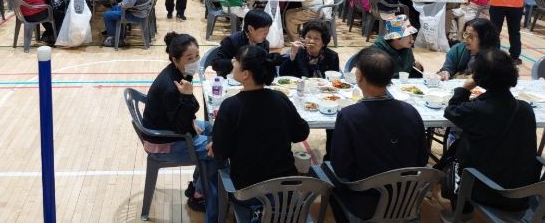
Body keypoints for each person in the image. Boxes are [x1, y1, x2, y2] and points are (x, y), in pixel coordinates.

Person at [329, 46, 428, 222]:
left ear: (359, 76)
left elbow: (341, 167)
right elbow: (422, 159)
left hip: (365, 203)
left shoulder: (349, 116)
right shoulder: (411, 111)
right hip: (405, 200)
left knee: (323, 172)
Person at [443, 49, 540, 216]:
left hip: (489, 191)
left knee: (455, 154)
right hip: (523, 192)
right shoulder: (525, 109)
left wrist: (465, 88)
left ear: (479, 77)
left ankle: (462, 211)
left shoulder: (477, 109)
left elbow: (451, 110)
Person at [209, 45, 309, 195]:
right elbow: (301, 133)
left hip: (248, 192)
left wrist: (216, 145)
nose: (233, 62)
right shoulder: (280, 98)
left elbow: (221, 153)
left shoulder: (230, 106)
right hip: (286, 189)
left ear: (245, 74)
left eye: (237, 60)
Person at [142, 33, 216, 219]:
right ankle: (199, 195)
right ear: (175, 59)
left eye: (197, 55)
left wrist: (192, 119)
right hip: (164, 141)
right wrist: (187, 98)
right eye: (190, 58)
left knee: (214, 129)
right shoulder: (170, 87)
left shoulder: (182, 72)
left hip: (172, 125)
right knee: (217, 150)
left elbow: (184, 113)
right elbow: (181, 128)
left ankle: (198, 183)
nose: (195, 61)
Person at [211, 9, 272, 77]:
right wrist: (234, 62)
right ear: (250, 29)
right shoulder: (232, 41)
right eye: (263, 31)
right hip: (230, 79)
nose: (266, 33)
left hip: (252, 80)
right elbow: (215, 64)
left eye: (268, 30)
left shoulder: (264, 44)